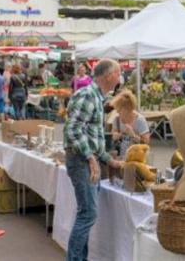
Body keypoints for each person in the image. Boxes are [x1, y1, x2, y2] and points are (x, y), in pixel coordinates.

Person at [63, 59, 123, 261]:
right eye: (118, 73)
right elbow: (72, 130)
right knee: (87, 214)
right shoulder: (88, 94)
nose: (120, 77)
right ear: (108, 75)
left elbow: (93, 137)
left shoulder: (97, 97)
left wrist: (108, 159)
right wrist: (90, 157)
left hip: (85, 160)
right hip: (81, 161)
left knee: (86, 214)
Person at [110, 90, 150, 158]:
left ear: (128, 109)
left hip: (137, 158)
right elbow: (112, 136)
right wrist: (114, 136)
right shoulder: (116, 120)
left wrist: (133, 135)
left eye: (119, 109)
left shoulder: (139, 120)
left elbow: (146, 142)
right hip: (120, 158)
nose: (117, 112)